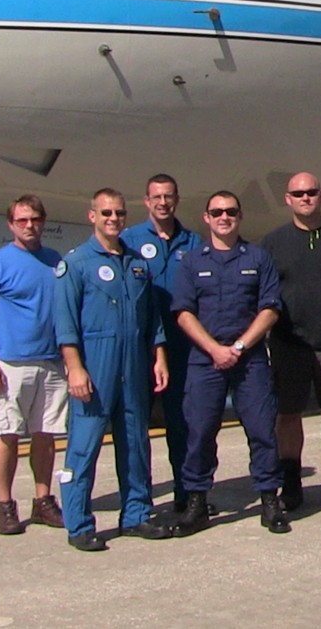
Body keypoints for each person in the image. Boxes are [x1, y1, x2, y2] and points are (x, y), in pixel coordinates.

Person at [53, 188, 173, 551]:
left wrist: (160, 356)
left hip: (134, 364)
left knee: (136, 442)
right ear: (92, 216)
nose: (113, 220)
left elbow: (151, 319)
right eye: (106, 213)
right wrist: (75, 369)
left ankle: (136, 514)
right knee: (84, 447)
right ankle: (79, 524)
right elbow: (65, 324)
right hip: (95, 365)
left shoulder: (137, 264)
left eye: (119, 214)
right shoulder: (75, 264)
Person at [170, 191, 289, 535]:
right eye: (217, 212)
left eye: (231, 212)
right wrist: (214, 349)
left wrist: (237, 346)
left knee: (262, 430)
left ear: (240, 217)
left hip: (249, 359)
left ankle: (269, 499)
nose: (224, 217)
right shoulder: (192, 261)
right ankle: (196, 502)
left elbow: (270, 309)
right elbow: (183, 312)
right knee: (200, 432)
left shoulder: (258, 257)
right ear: (206, 218)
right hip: (206, 361)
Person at [260, 172, 321, 510]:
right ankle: (291, 484)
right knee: (288, 415)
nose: (305, 198)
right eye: (298, 193)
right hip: (290, 343)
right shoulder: (272, 243)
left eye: (311, 192)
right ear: (287, 199)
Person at [0, 194, 67, 535]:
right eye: (22, 220)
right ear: (11, 224)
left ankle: (43, 501)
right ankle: (5, 505)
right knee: (7, 434)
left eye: (35, 219)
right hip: (11, 363)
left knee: (46, 435)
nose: (29, 225)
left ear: (43, 222)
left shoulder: (54, 261)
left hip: (51, 362)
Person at [120, 174, 202, 512]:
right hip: (142, 348)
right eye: (157, 197)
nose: (163, 202)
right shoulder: (129, 240)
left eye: (168, 196)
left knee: (183, 425)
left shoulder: (193, 241)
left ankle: (187, 493)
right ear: (146, 201)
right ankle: (138, 500)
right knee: (135, 426)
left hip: (183, 347)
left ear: (176, 200)